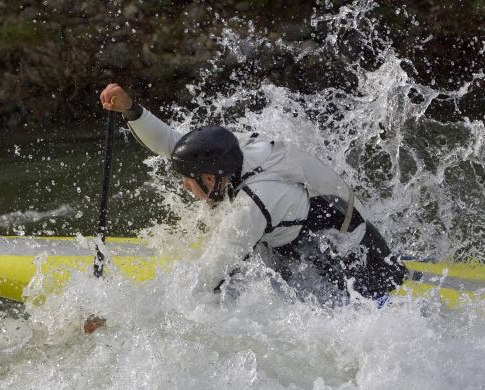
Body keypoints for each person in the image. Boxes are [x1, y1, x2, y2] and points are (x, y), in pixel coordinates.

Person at [99, 83, 408, 304]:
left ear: (209, 177)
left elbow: (203, 282)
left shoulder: (252, 206)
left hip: (361, 262)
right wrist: (132, 110)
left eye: (189, 181)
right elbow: (172, 144)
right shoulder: (234, 150)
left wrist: (125, 315)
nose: (185, 187)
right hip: (309, 233)